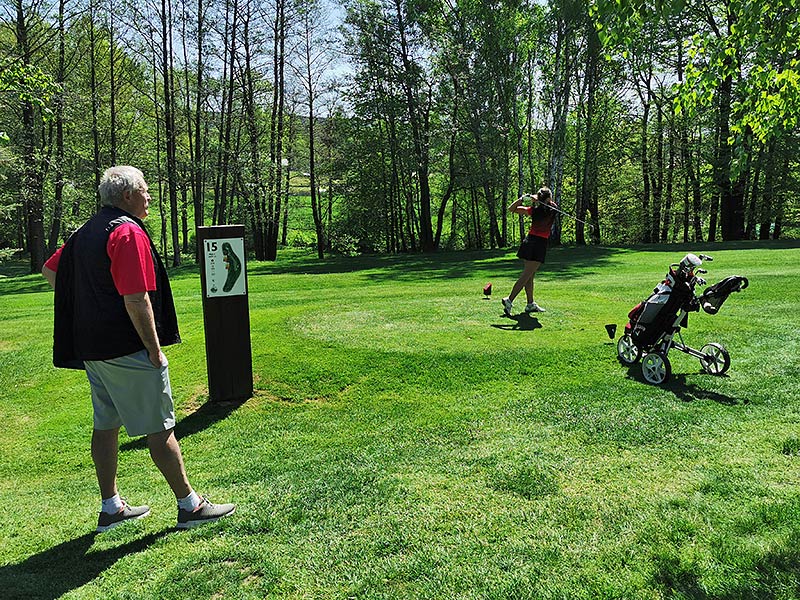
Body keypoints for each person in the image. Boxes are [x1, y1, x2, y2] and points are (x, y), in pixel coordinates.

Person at [42, 166, 235, 532]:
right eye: (145, 190)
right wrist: (153, 348)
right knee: (160, 427)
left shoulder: (83, 233)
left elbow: (51, 271)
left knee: (106, 424)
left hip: (92, 349)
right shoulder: (126, 232)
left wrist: (91, 302)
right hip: (126, 347)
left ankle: (111, 507)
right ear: (128, 195)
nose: (149, 197)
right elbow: (136, 298)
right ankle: (190, 506)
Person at [501, 187, 557, 317]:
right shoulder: (552, 209)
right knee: (526, 275)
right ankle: (509, 299)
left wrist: (523, 199)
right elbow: (548, 202)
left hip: (529, 242)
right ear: (549, 198)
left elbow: (512, 209)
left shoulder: (534, 210)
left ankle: (530, 303)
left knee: (530, 275)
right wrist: (535, 198)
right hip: (538, 244)